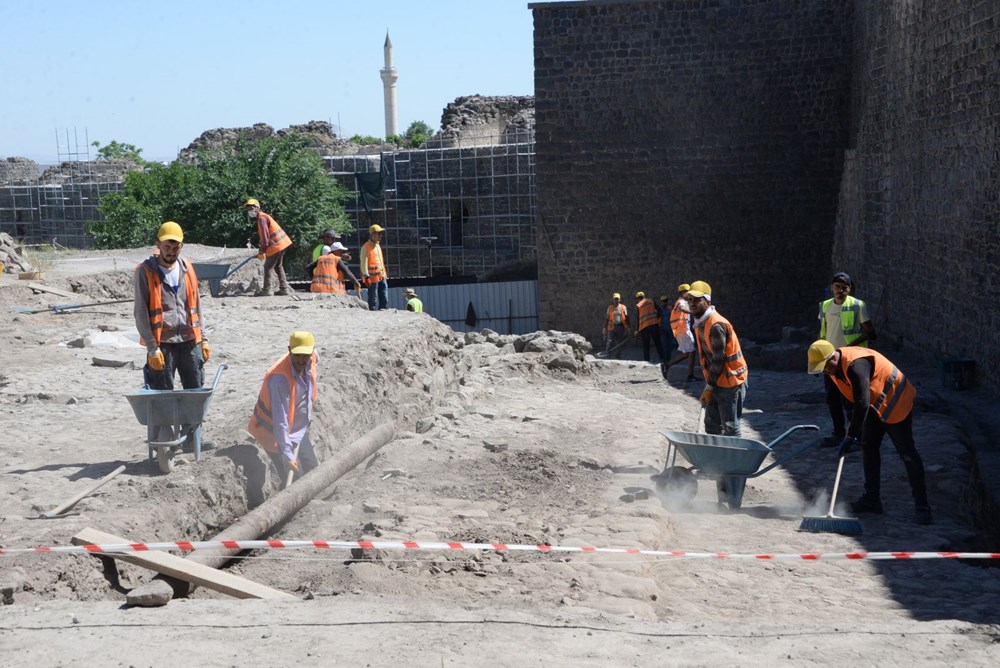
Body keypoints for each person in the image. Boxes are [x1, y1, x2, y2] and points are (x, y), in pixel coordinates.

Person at [807, 340, 932, 525]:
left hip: (896, 400)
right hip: (875, 402)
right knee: (869, 447)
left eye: (824, 367)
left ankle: (923, 508)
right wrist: (850, 427)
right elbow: (848, 398)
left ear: (832, 358)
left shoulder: (856, 366)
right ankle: (872, 500)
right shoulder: (833, 369)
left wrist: (850, 435)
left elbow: (862, 402)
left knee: (907, 453)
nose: (824, 372)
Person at [134, 222, 211, 449]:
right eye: (167, 246)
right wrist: (152, 348)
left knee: (194, 391)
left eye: (176, 246)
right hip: (163, 343)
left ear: (181, 246)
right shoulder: (146, 271)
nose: (171, 251)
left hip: (189, 339)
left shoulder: (187, 268)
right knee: (163, 393)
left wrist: (203, 339)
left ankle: (192, 439)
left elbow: (196, 305)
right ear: (158, 244)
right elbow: (140, 312)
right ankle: (164, 442)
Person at [247, 331, 321, 482]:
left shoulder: (312, 357)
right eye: (297, 355)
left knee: (313, 468)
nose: (301, 360)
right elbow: (280, 421)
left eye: (305, 355)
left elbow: (315, 358)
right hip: (275, 435)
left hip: (298, 430)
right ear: (289, 351)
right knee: (295, 479)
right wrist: (287, 454)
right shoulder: (279, 380)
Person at [818, 271, 877, 447]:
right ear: (832, 288)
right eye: (837, 286)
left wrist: (848, 347)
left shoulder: (858, 306)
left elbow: (870, 332)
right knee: (833, 400)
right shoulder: (824, 306)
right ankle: (838, 434)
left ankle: (856, 437)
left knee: (852, 401)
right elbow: (823, 331)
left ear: (850, 289)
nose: (840, 290)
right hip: (831, 362)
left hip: (851, 362)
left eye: (844, 287)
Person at [687, 280, 748, 437]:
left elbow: (718, 359)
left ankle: (733, 453)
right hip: (716, 379)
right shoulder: (700, 322)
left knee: (730, 427)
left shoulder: (716, 325)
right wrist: (711, 385)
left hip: (731, 381)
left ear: (707, 302)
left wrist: (709, 387)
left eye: (696, 300)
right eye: (690, 299)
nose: (692, 303)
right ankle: (715, 451)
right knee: (712, 424)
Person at [245, 198, 293, 297]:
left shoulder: (262, 218)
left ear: (257, 208)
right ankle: (284, 289)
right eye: (248, 209)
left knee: (268, 267)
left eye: (251, 208)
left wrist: (262, 251)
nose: (250, 211)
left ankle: (267, 290)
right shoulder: (263, 217)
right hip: (282, 243)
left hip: (277, 245)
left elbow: (265, 238)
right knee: (278, 266)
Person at [662, 283, 698, 383]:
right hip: (683, 331)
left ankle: (667, 365)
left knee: (686, 354)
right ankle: (690, 376)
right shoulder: (681, 302)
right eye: (688, 292)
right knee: (692, 352)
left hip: (681, 331)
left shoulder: (684, 302)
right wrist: (693, 312)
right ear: (683, 292)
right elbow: (682, 309)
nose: (690, 294)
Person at [360, 224, 389, 310]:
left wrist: (384, 274)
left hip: (381, 275)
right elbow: (363, 263)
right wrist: (366, 276)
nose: (381, 235)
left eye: (381, 233)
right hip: (372, 278)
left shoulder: (377, 245)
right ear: (372, 234)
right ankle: (371, 311)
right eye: (379, 233)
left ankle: (383, 310)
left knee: (384, 295)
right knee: (373, 298)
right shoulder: (366, 247)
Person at [633, 291, 666, 364]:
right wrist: (656, 318)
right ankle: (663, 359)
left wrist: (637, 330)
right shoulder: (651, 301)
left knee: (646, 345)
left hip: (644, 328)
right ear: (644, 296)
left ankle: (646, 361)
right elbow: (660, 311)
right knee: (658, 343)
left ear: (637, 298)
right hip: (654, 325)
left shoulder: (638, 305)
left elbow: (638, 319)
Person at [602, 292, 630, 359]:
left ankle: (618, 355)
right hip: (611, 327)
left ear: (619, 300)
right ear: (613, 300)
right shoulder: (610, 307)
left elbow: (626, 318)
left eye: (617, 299)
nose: (616, 300)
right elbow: (607, 318)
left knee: (619, 342)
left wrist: (628, 327)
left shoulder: (623, 307)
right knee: (609, 341)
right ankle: (607, 355)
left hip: (620, 327)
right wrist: (604, 327)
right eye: (615, 299)